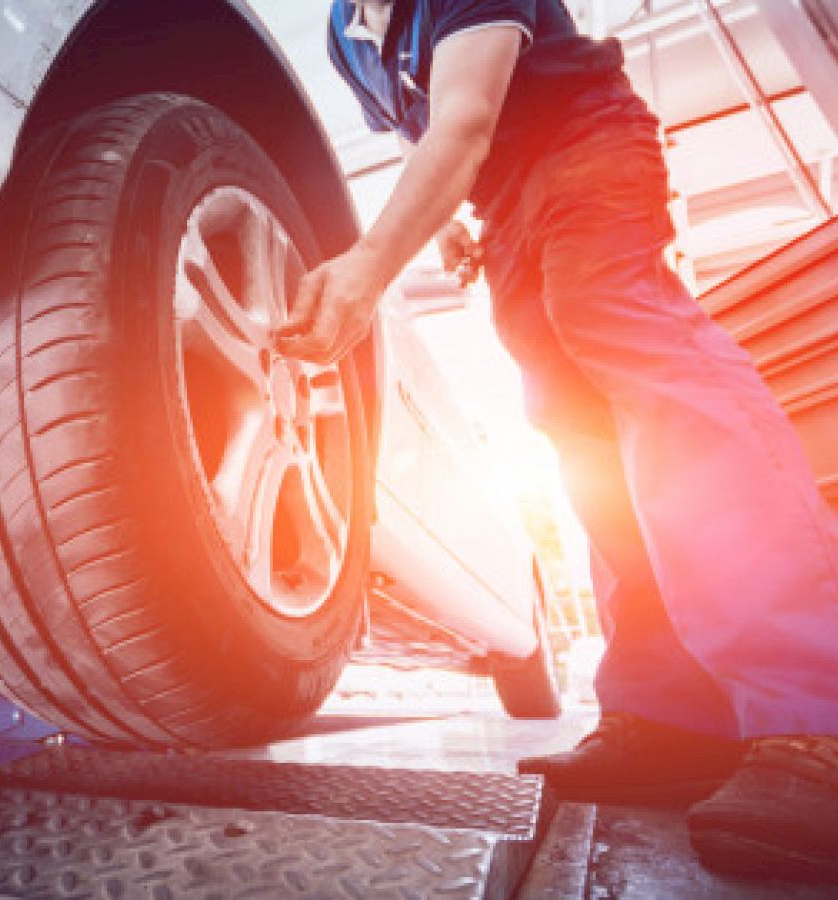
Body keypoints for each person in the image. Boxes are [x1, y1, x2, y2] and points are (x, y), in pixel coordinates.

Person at [275, 0, 838, 882]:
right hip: (506, 210)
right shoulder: (347, 33)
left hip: (588, 154)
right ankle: (673, 721)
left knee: (651, 374)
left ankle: (814, 712)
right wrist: (452, 224)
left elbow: (463, 116)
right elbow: (416, 132)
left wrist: (372, 264)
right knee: (579, 438)